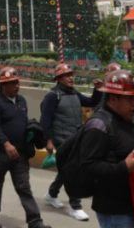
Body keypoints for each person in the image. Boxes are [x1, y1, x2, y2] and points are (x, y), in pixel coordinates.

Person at [78, 70, 134, 228]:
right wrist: (123, 167)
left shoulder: (124, 120)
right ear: (113, 99)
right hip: (115, 211)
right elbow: (88, 166)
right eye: (130, 99)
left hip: (132, 203)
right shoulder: (99, 126)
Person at [0, 67, 49, 228]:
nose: (17, 86)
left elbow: (22, 123)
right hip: (0, 154)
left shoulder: (21, 101)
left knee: (24, 187)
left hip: (20, 154)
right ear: (3, 85)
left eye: (17, 82)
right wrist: (6, 144)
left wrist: (32, 133)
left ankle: (35, 221)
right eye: (12, 83)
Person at [41, 63, 101, 221]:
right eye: (67, 75)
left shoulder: (74, 93)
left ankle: (51, 194)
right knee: (73, 171)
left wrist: (98, 89)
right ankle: (76, 206)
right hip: (61, 140)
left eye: (71, 75)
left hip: (75, 138)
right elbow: (45, 120)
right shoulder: (53, 96)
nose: (70, 78)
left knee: (66, 171)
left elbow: (91, 102)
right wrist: (48, 141)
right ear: (59, 79)